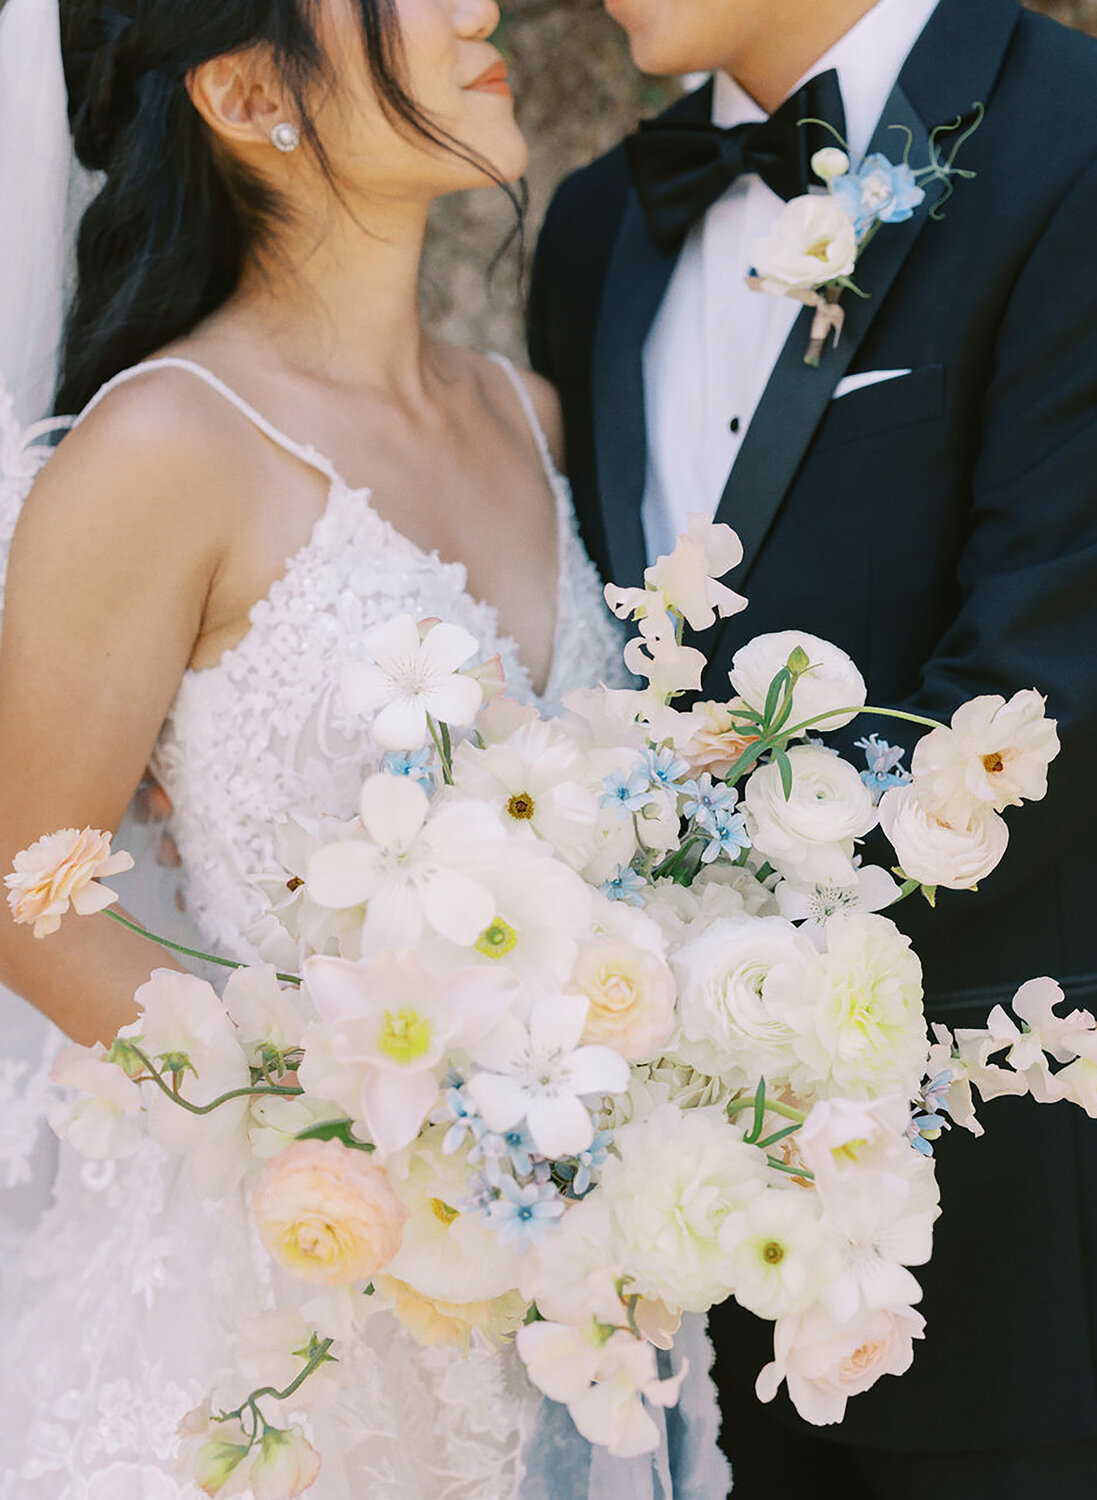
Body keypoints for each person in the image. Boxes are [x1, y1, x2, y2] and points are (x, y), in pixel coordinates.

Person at [0, 0, 729, 1495]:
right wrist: (376, 1122)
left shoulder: (527, 416)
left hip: (554, 1299)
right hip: (277, 1313)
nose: (482, 9)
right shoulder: (162, 448)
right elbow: (30, 892)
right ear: (248, 89)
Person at [528, 0, 1097, 1494]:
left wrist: (706, 1001)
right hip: (672, 1275)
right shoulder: (598, 224)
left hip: (1014, 1242)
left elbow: (1044, 709)